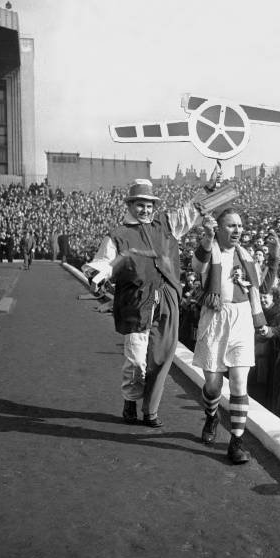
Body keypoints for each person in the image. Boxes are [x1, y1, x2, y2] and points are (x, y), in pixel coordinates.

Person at [83, 179, 207, 428]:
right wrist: (96, 275)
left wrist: (210, 187)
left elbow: (191, 210)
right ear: (130, 205)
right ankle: (130, 400)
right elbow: (104, 263)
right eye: (140, 205)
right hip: (137, 303)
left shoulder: (166, 224)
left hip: (167, 301)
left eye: (149, 206)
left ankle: (150, 410)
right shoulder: (117, 235)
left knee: (162, 356)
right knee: (136, 360)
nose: (146, 211)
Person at [192, 208, 268, 464]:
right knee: (213, 386)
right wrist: (206, 237)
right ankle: (212, 415)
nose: (237, 230)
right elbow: (197, 265)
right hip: (215, 317)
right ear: (219, 229)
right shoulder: (210, 250)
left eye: (240, 226)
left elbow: (256, 290)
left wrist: (260, 321)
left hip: (242, 318)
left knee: (238, 381)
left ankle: (236, 441)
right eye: (231, 226)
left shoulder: (245, 256)